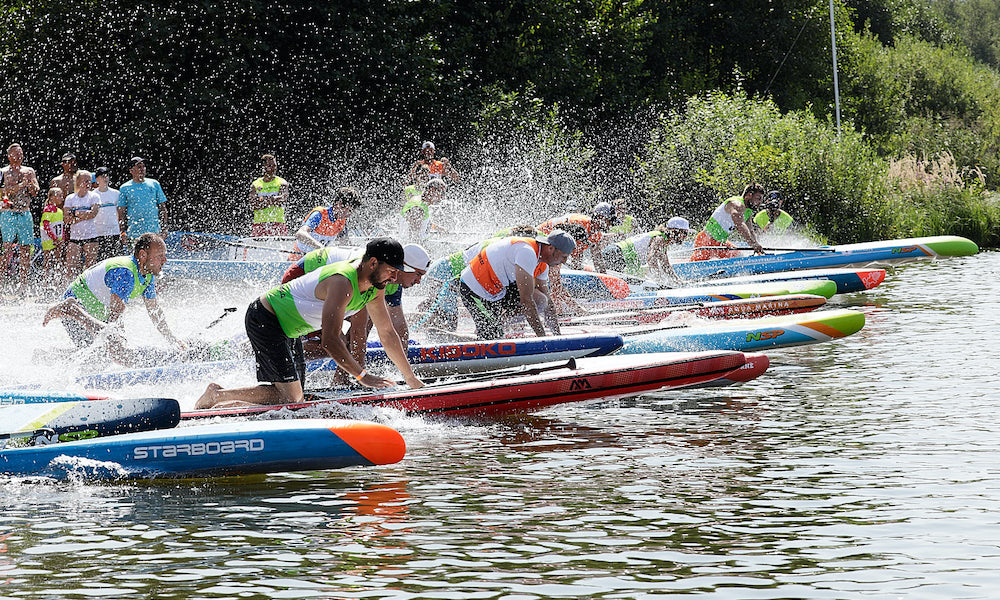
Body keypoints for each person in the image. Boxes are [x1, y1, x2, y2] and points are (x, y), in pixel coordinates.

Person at [194, 237, 425, 410]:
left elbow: (387, 333)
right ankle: (217, 395)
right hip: (265, 318)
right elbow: (330, 340)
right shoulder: (343, 282)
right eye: (391, 272)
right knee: (291, 398)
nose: (394, 279)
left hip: (288, 328)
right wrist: (363, 376)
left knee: (293, 398)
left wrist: (411, 379)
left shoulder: (376, 287)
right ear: (373, 263)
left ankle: (228, 404)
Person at [42, 233, 183, 364]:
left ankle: (48, 357)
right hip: (77, 308)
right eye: (159, 256)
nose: (165, 260)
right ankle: (70, 309)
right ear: (143, 255)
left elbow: (155, 312)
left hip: (95, 313)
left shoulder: (147, 274)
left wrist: (172, 339)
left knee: (97, 356)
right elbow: (116, 313)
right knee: (114, 354)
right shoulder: (126, 272)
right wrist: (119, 342)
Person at [458, 230, 575, 340]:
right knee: (493, 336)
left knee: (542, 300)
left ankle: (497, 323)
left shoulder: (542, 264)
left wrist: (558, 337)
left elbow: (548, 303)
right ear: (550, 248)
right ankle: (485, 332)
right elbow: (526, 301)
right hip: (473, 290)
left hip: (497, 291)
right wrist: (543, 339)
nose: (564, 262)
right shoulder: (527, 252)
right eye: (564, 256)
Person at [0, 143, 40, 293]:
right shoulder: (3, 172)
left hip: (25, 212)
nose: (19, 155)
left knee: (25, 249)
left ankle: (23, 286)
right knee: (7, 248)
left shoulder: (29, 171)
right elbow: (3, 192)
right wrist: (20, 185)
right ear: (8, 156)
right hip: (8, 213)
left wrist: (29, 184)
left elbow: (35, 192)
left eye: (21, 152)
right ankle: (1, 284)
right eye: (16, 153)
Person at [691, 183, 766, 261]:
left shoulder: (749, 211)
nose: (760, 202)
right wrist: (753, 244)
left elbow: (750, 230)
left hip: (721, 243)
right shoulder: (737, 205)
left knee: (740, 257)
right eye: (758, 198)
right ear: (749, 195)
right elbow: (740, 226)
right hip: (706, 241)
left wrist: (757, 245)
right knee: (693, 267)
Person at [602, 216, 693, 281]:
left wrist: (678, 281)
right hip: (615, 254)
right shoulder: (659, 239)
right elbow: (651, 260)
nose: (685, 237)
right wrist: (659, 280)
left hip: (617, 255)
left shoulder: (664, 242)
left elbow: (665, 266)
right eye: (684, 233)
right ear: (674, 231)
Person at [537, 202, 618, 273]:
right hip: (542, 235)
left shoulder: (596, 233)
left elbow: (597, 257)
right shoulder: (579, 224)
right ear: (601, 217)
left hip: (552, 245)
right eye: (609, 221)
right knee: (554, 270)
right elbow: (563, 250)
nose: (610, 225)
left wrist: (603, 277)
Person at [291, 186, 361, 256]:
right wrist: (321, 247)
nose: (350, 214)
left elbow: (345, 244)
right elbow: (300, 234)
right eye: (349, 210)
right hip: (298, 258)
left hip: (317, 259)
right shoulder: (319, 214)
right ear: (339, 204)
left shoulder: (342, 221)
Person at [117, 156, 168, 243]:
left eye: (143, 166)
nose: (142, 169)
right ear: (131, 171)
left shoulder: (154, 184)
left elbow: (163, 208)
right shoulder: (124, 188)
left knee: (155, 256)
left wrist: (165, 228)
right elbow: (121, 212)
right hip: (134, 234)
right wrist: (122, 232)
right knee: (135, 256)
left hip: (154, 232)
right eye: (139, 167)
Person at [64, 170, 101, 280]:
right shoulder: (70, 198)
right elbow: (66, 220)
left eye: (90, 181)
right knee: (71, 267)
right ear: (78, 182)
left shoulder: (94, 196)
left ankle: (90, 292)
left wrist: (75, 213)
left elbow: (93, 214)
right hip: (75, 237)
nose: (88, 184)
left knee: (91, 268)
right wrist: (84, 214)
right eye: (85, 181)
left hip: (91, 236)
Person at [249, 153, 290, 237]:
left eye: (275, 165)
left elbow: (282, 200)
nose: (274, 168)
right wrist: (273, 200)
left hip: (278, 223)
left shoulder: (282, 182)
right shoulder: (255, 184)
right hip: (259, 224)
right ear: (263, 167)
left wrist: (261, 200)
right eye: (270, 166)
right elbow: (253, 205)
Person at [398, 178, 446, 244]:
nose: (442, 197)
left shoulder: (421, 203)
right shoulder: (418, 207)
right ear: (432, 190)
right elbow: (413, 236)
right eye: (442, 193)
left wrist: (438, 228)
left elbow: (423, 223)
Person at [91, 166, 124, 261]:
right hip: (98, 233)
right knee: (100, 261)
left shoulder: (116, 193)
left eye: (106, 176)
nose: (105, 178)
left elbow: (120, 214)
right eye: (102, 176)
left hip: (114, 232)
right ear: (97, 179)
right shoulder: (93, 195)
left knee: (118, 260)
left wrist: (122, 231)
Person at [39, 187, 66, 290]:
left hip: (57, 240)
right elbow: (46, 225)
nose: (61, 198)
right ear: (51, 197)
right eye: (58, 195)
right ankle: (45, 284)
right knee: (48, 261)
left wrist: (62, 238)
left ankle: (56, 283)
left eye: (61, 195)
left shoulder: (60, 211)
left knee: (58, 260)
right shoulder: (48, 209)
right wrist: (54, 238)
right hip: (49, 240)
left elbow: (61, 226)